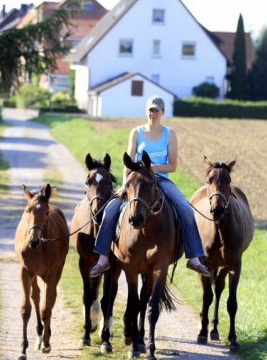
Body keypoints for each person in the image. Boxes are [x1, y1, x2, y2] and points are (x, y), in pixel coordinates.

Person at [89, 95, 210, 278]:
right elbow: (128, 162)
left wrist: (154, 168)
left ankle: (193, 258)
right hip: (136, 181)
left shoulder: (170, 134)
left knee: (186, 209)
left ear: (163, 112)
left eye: (156, 110)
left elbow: (173, 165)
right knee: (110, 210)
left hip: (160, 180)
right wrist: (124, 185)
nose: (153, 113)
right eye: (150, 110)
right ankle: (103, 258)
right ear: (146, 111)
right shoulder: (136, 132)